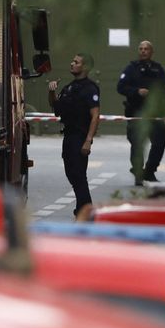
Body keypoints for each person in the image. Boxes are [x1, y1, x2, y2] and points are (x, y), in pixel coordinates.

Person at [48, 54, 100, 216]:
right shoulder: (69, 88)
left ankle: (86, 210)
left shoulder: (90, 88)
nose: (72, 64)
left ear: (85, 67)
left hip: (80, 136)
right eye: (72, 61)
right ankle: (82, 207)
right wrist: (52, 92)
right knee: (72, 174)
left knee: (78, 175)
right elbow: (57, 109)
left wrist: (88, 140)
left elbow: (95, 115)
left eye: (76, 62)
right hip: (69, 136)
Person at [117, 40, 165, 184]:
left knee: (159, 141)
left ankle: (150, 171)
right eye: (141, 49)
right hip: (136, 112)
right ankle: (138, 172)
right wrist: (137, 91)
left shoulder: (158, 69)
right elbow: (121, 87)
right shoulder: (131, 68)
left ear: (151, 52)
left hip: (155, 113)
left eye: (146, 49)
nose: (143, 51)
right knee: (137, 144)